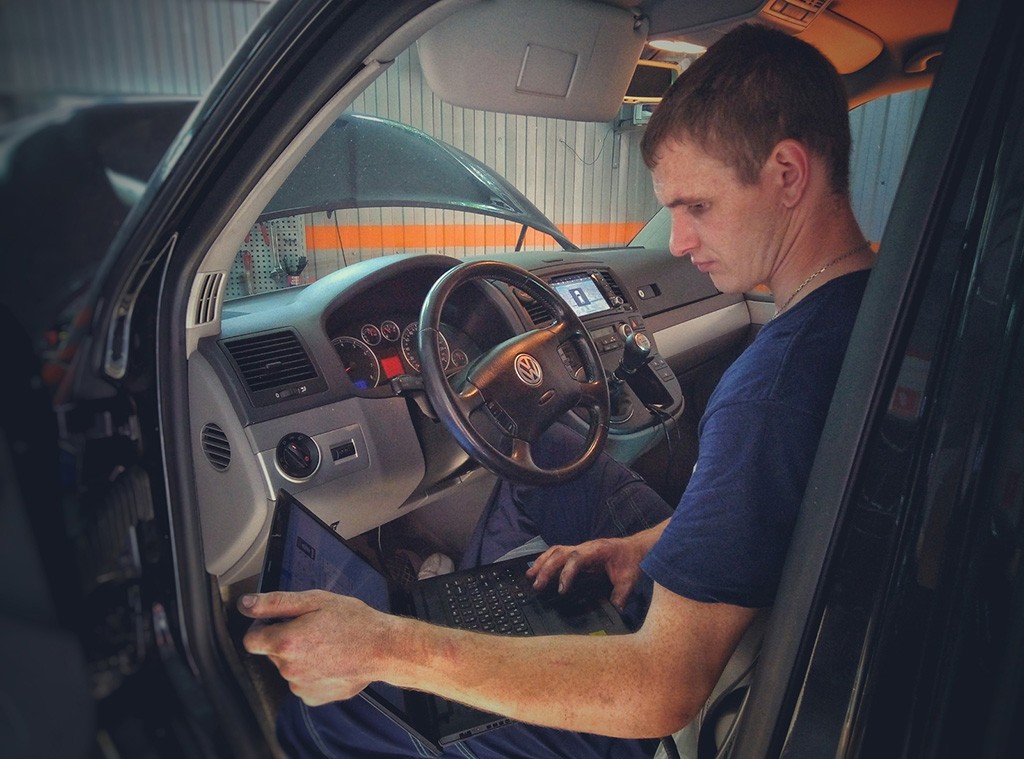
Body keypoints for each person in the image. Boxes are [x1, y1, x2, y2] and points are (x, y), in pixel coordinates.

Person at [238, 22, 875, 758]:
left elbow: (661, 688)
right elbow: (775, 511)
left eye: (697, 206)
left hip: (685, 699)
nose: (676, 242)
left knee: (324, 717)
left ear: (788, 174)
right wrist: (644, 549)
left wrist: (385, 646)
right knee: (548, 443)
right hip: (767, 631)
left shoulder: (769, 393)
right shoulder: (873, 312)